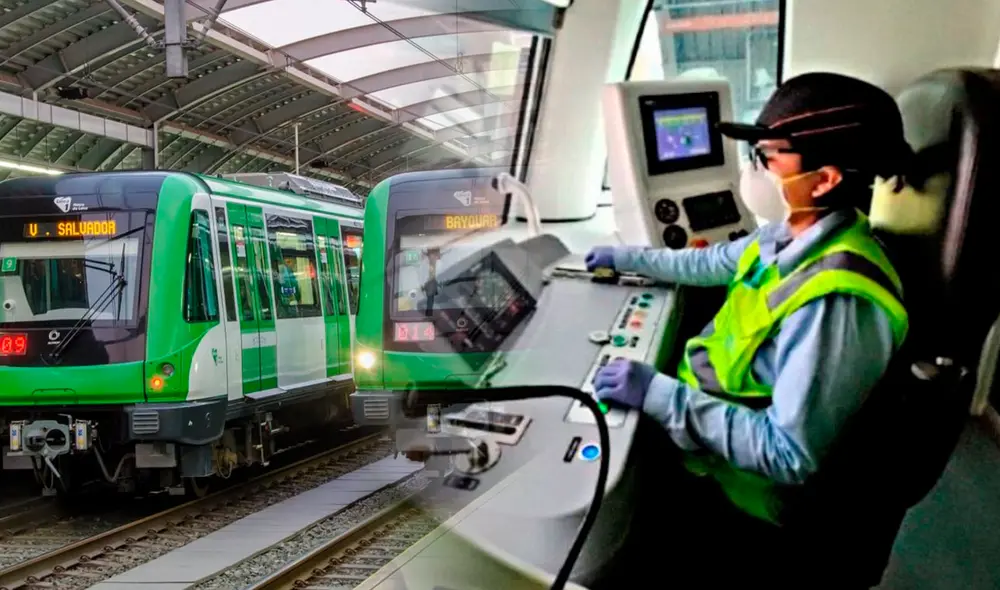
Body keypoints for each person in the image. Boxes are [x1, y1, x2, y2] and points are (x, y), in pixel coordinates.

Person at [587, 73, 915, 534]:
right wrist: (625, 258)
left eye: (765, 158)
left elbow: (787, 453)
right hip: (705, 438)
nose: (752, 170)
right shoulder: (788, 235)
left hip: (742, 495)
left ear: (823, 180)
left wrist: (658, 394)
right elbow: (709, 263)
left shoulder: (838, 298)